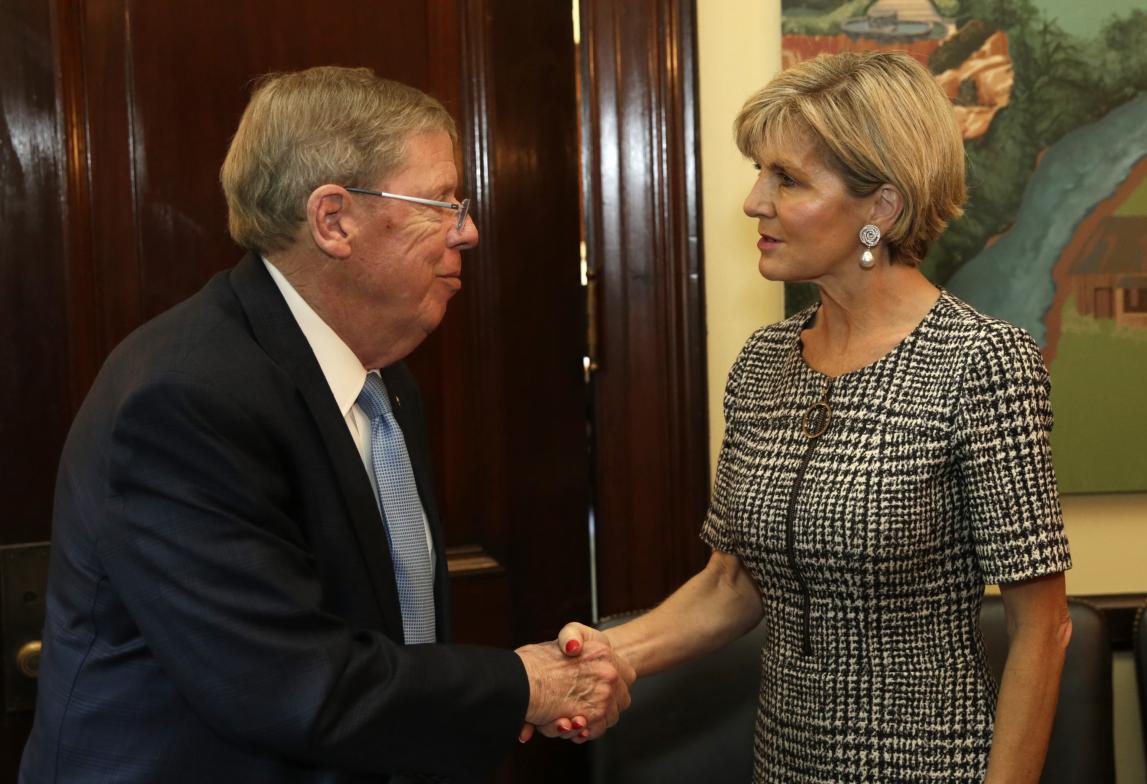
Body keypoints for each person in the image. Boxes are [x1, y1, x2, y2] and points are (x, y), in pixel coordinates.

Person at [19, 66, 633, 784]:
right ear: (334, 219)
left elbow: (378, 635)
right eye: (440, 203)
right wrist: (525, 685)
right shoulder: (186, 397)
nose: (466, 232)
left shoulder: (384, 375)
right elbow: (286, 683)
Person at [553, 51, 1072, 782]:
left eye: (787, 179)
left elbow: (1042, 628)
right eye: (761, 172)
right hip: (784, 762)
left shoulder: (982, 363)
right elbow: (733, 583)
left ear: (881, 209)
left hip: (930, 767)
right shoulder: (764, 362)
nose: (754, 201)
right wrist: (606, 657)